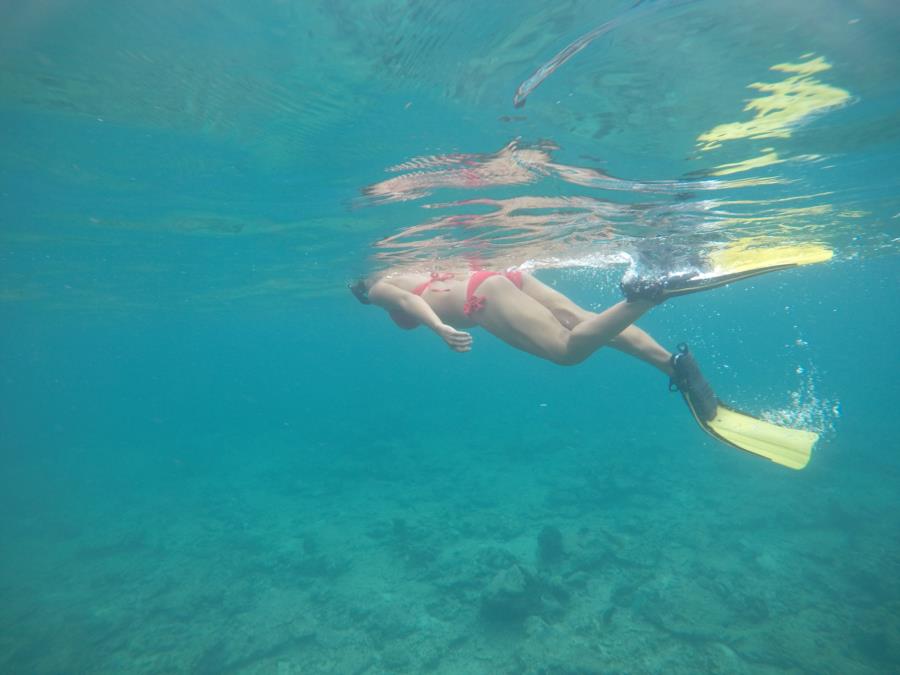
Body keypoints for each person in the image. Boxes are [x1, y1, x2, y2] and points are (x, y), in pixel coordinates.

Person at [350, 252, 830, 470]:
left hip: (483, 300)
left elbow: (409, 304)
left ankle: (648, 294)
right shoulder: (409, 257)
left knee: (567, 351)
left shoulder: (376, 284)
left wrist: (439, 329)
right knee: (586, 320)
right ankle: (675, 366)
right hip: (500, 276)